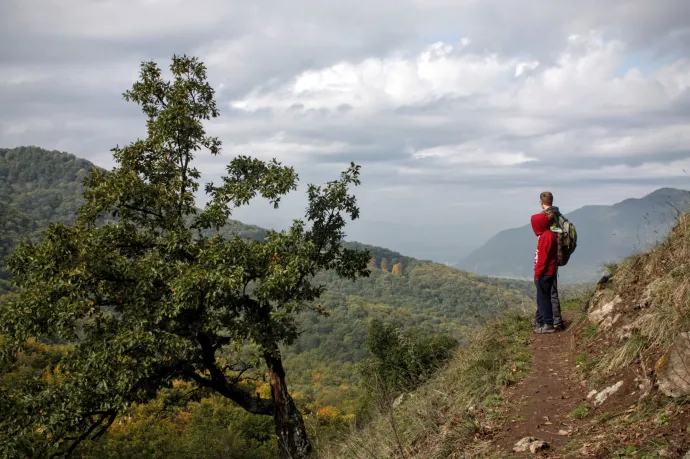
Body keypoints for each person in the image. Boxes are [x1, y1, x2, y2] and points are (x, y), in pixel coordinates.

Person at [539, 191, 565, 330]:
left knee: (549, 290)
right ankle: (547, 319)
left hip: (549, 258)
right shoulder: (558, 215)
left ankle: (556, 321)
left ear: (541, 202)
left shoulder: (547, 217)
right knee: (550, 290)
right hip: (557, 255)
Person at [531, 211, 558, 333]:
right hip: (546, 272)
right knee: (543, 297)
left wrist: (538, 273)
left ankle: (548, 323)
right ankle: (542, 320)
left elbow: (543, 258)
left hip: (544, 273)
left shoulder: (545, 237)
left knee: (544, 298)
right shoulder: (548, 235)